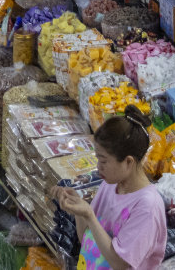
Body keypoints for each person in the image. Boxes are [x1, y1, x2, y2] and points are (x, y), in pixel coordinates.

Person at [54, 108, 167, 270]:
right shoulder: (111, 183)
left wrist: (89, 215)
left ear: (128, 162)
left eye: (104, 161)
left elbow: (119, 263)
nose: (98, 167)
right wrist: (78, 209)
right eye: (97, 159)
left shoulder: (148, 207)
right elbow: (87, 239)